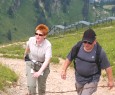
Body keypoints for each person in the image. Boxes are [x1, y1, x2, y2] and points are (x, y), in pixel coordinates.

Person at [61, 28, 114, 95]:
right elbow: (69, 58)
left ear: (95, 41)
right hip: (79, 78)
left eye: (89, 42)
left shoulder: (99, 52)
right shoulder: (77, 47)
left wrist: (110, 80)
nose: (86, 44)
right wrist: (64, 70)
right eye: (85, 41)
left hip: (92, 80)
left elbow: (107, 67)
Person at [24, 24, 52, 95]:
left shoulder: (48, 45)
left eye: (40, 35)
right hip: (31, 64)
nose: (37, 36)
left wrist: (39, 72)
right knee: (31, 86)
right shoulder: (31, 40)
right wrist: (25, 56)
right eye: (36, 34)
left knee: (41, 89)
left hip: (43, 66)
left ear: (45, 36)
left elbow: (47, 60)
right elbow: (28, 47)